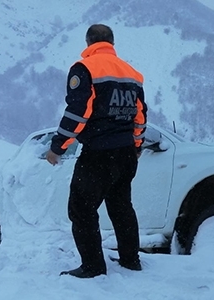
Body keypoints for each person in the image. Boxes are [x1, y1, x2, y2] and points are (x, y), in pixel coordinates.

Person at [46, 24, 148, 278]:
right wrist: (137, 145)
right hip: (125, 153)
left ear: (89, 42)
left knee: (81, 208)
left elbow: (78, 112)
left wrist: (58, 147)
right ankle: (130, 259)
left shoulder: (85, 69)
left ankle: (92, 266)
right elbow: (140, 115)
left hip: (99, 153)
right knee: (121, 205)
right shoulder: (132, 74)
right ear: (111, 42)